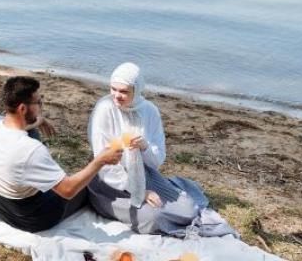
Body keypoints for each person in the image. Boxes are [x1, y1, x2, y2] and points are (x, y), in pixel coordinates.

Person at [87, 62, 239, 238]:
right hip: (108, 181)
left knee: (188, 209)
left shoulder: (150, 111)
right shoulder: (104, 108)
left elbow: (156, 161)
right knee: (154, 218)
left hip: (142, 173)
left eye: (124, 91)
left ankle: (175, 188)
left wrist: (145, 148)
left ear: (137, 90)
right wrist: (140, 193)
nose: (116, 96)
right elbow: (102, 161)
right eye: (113, 89)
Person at [0, 76, 123, 232]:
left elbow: (26, 127)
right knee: (89, 184)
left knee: (32, 130)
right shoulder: (31, 150)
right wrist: (100, 161)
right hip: (29, 218)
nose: (41, 106)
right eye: (38, 102)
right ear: (22, 109)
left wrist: (40, 121)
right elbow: (68, 190)